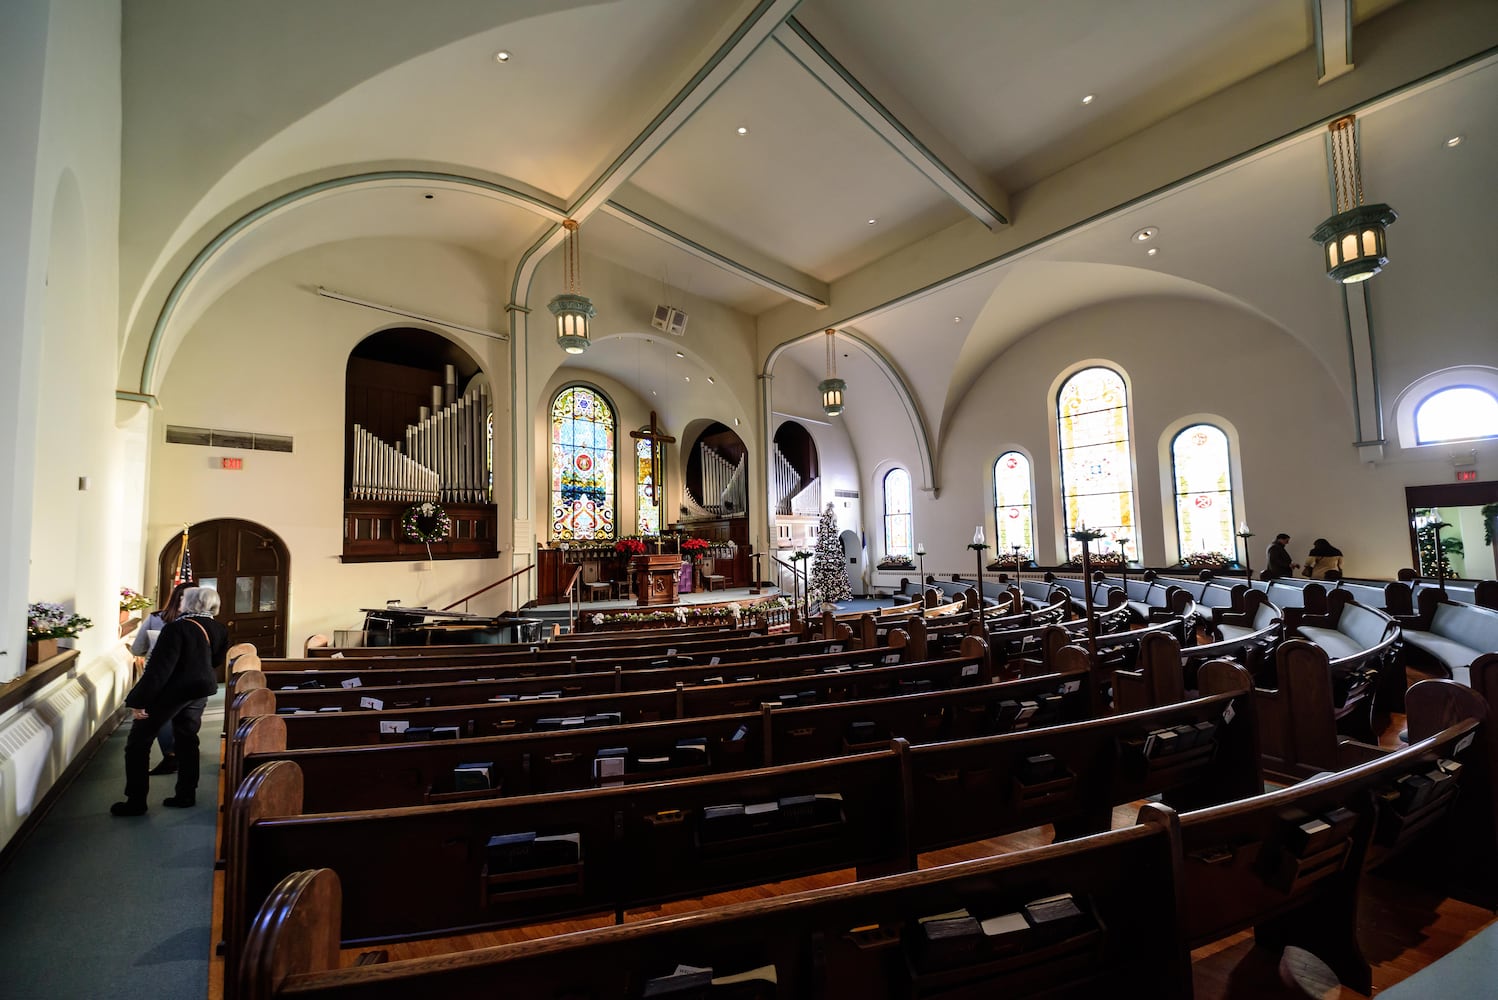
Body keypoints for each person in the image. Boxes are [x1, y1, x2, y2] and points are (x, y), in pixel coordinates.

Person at [112, 586, 227, 816]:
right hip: (200, 690)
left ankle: (135, 801)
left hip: (173, 692)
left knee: (138, 742)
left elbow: (159, 670)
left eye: (184, 598)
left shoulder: (177, 628)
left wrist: (138, 700)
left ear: (192, 602)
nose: (180, 601)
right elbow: (215, 660)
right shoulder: (219, 628)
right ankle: (186, 794)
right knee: (187, 739)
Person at [129, 581, 193, 775]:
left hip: (159, 677)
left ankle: (170, 755)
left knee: (159, 718)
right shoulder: (200, 623)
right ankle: (183, 754)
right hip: (188, 677)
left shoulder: (156, 618)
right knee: (185, 717)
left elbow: (138, 649)